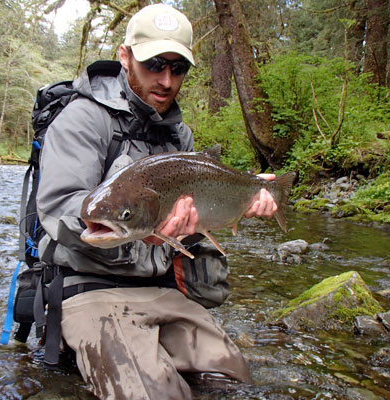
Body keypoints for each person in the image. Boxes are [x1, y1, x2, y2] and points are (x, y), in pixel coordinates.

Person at [35, 4, 278, 399]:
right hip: (91, 289)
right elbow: (60, 207)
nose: (166, 80)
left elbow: (192, 226)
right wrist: (137, 233)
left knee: (231, 384)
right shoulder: (83, 119)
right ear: (125, 55)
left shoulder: (179, 138)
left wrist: (241, 199)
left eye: (178, 68)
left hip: (161, 289)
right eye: (154, 64)